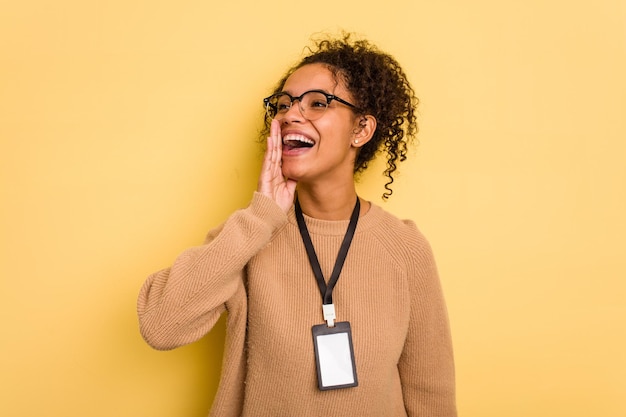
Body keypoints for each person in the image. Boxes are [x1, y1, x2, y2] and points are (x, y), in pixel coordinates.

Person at [137, 33, 457, 417]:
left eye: (318, 104)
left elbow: (431, 395)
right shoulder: (249, 235)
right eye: (284, 104)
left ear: (361, 130)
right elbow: (160, 326)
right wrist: (261, 216)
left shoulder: (405, 248)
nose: (290, 114)